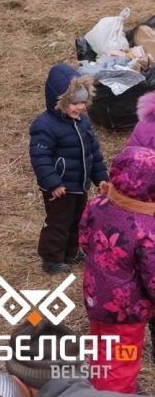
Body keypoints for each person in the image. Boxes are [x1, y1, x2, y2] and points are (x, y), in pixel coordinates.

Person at [75, 146, 155, 389]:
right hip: (126, 308)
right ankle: (115, 392)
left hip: (95, 294)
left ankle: (98, 386)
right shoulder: (147, 229)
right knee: (122, 361)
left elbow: (84, 239)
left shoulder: (98, 204)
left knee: (102, 347)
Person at [29, 65, 109, 278]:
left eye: (83, 102)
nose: (80, 107)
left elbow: (93, 152)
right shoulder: (44, 126)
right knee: (58, 221)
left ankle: (71, 251)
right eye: (74, 103)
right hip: (60, 187)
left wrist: (101, 179)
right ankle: (52, 258)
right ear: (60, 101)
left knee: (77, 219)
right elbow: (40, 158)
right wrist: (53, 183)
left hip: (79, 183)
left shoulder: (83, 122)